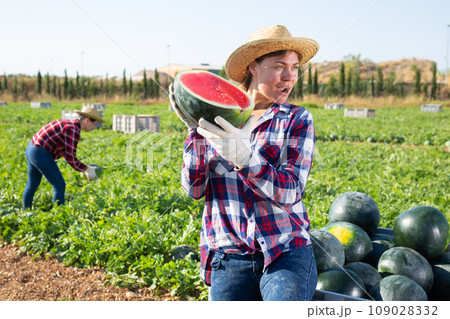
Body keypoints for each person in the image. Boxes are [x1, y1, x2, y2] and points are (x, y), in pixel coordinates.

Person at [169, 25, 319, 301]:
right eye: (279, 66)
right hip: (229, 256)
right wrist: (196, 131)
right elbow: (194, 190)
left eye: (295, 67)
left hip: (285, 250)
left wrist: (247, 159)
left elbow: (292, 191)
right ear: (254, 67)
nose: (290, 76)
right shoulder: (216, 118)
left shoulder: (297, 119)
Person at [23, 106, 104, 210]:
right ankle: (59, 214)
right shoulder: (73, 130)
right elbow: (70, 157)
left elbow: (66, 153)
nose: (94, 127)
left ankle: (25, 211)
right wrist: (86, 169)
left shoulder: (69, 124)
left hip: (31, 148)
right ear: (87, 120)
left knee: (32, 184)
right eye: (94, 124)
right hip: (40, 152)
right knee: (59, 185)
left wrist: (84, 168)